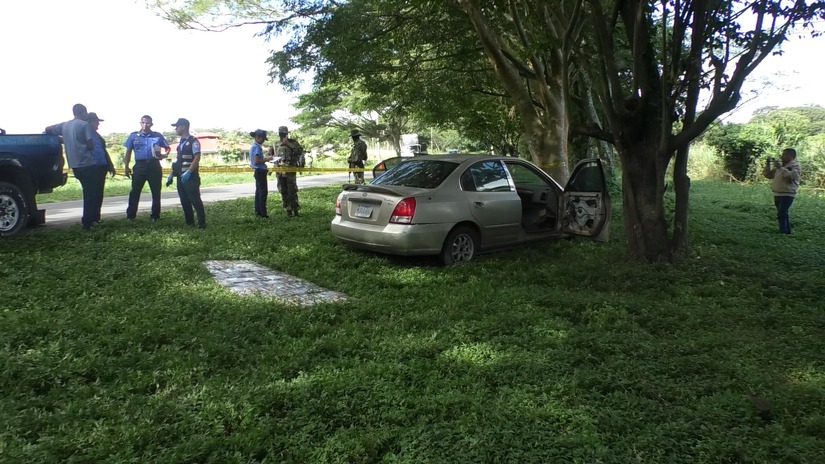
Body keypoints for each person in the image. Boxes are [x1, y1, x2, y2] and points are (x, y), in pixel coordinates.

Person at [45, 104, 98, 230]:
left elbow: (48, 129)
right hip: (87, 163)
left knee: (87, 191)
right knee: (91, 193)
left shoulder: (65, 125)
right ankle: (88, 221)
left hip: (74, 164)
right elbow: (90, 145)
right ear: (84, 113)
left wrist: (65, 140)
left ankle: (88, 221)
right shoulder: (84, 125)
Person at [123, 115, 170, 221]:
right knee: (135, 191)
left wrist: (163, 155)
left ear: (151, 124)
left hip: (154, 166)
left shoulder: (157, 136)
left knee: (156, 192)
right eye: (143, 122)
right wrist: (126, 167)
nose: (145, 125)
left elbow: (167, 148)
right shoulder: (134, 136)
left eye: (147, 123)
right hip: (140, 166)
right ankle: (131, 216)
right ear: (140, 123)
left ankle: (155, 216)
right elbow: (128, 152)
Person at [171, 118, 206, 229]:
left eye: (177, 126)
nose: (175, 128)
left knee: (195, 200)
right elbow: (179, 161)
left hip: (190, 177)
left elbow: (197, 157)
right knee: (184, 200)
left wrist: (189, 172)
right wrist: (173, 173)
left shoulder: (193, 141)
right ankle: (189, 223)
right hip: (180, 177)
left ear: (184, 126)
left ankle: (202, 223)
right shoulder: (180, 143)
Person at [763, 148, 802, 234]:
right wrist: (768, 164)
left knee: (782, 213)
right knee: (783, 213)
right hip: (777, 193)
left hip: (788, 193)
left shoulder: (795, 166)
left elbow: (791, 176)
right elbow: (768, 175)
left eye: (784, 155)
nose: (782, 156)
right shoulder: (780, 166)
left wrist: (780, 168)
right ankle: (786, 231)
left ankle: (783, 231)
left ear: (791, 156)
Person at [87, 112, 115, 224]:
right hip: (92, 167)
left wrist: (110, 165)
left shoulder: (97, 136)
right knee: (92, 194)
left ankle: (96, 217)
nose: (98, 124)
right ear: (89, 122)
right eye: (96, 121)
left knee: (99, 193)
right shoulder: (85, 134)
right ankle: (90, 218)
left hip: (101, 167)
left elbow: (104, 151)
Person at [275, 125, 303, 217]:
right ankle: (288, 210)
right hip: (280, 171)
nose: (282, 135)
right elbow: (271, 156)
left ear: (287, 134)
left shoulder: (293, 142)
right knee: (283, 191)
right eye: (281, 134)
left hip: (290, 171)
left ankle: (295, 210)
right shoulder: (276, 144)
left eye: (284, 134)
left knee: (292, 190)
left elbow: (300, 151)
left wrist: (288, 144)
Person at [249, 129, 274, 218]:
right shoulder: (256, 147)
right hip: (260, 171)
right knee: (263, 193)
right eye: (263, 139)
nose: (263, 141)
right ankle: (263, 214)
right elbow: (257, 161)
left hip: (258, 172)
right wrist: (268, 159)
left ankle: (258, 212)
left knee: (258, 192)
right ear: (257, 137)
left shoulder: (253, 146)